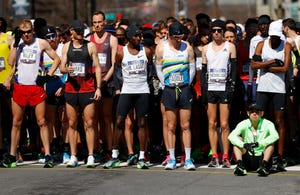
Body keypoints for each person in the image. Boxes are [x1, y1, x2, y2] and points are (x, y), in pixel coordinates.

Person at [1, 19, 60, 168]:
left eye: (28, 32)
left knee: (41, 121)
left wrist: (48, 75)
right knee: (16, 122)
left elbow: (57, 59)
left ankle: (48, 155)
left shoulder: (41, 43)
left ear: (33, 31)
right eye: (23, 32)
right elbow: (10, 62)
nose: (26, 35)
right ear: (20, 32)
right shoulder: (18, 43)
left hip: (36, 87)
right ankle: (12, 155)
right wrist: (15, 44)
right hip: (20, 87)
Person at [103, 25, 153, 169]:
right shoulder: (121, 53)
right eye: (136, 36)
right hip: (127, 91)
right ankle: (114, 156)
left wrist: (147, 85)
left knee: (142, 123)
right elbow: (117, 71)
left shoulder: (147, 51)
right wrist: (119, 88)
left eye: (140, 36)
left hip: (142, 90)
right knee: (119, 121)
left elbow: (150, 69)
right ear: (129, 38)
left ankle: (142, 157)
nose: (139, 39)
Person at [60, 20, 102, 168]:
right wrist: (67, 70)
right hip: (71, 89)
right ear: (71, 32)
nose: (80, 33)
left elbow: (97, 67)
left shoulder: (90, 46)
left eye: (82, 31)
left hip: (87, 88)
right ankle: (73, 155)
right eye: (77, 31)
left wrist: (98, 87)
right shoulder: (66, 47)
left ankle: (90, 155)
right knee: (72, 123)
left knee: (89, 123)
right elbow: (62, 67)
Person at [251, 19, 292, 172]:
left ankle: (279, 156)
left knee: (279, 121)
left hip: (279, 88)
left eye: (276, 37)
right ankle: (260, 153)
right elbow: (254, 65)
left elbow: (285, 68)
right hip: (263, 87)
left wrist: (268, 67)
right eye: (272, 37)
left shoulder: (286, 45)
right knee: (259, 120)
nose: (274, 40)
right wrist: (272, 62)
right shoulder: (261, 45)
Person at [155, 22, 196, 170]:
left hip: (184, 88)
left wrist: (186, 83)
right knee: (171, 125)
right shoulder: (161, 48)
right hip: (169, 89)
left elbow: (192, 68)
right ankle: (172, 158)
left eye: (181, 37)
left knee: (185, 125)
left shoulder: (187, 47)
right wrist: (166, 84)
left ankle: (188, 159)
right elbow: (158, 69)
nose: (179, 40)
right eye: (175, 37)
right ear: (169, 36)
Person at [201, 19, 237, 168]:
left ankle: (226, 156)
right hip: (211, 88)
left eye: (219, 31)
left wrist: (231, 87)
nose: (216, 33)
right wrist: (204, 89)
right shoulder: (206, 48)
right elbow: (203, 72)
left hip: (224, 88)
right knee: (211, 123)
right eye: (214, 30)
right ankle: (214, 155)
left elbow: (234, 69)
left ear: (223, 32)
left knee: (224, 124)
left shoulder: (230, 47)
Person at [86, 11, 118, 160]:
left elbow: (113, 64)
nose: (97, 25)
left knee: (107, 117)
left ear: (104, 22)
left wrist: (103, 81)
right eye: (94, 23)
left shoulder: (112, 39)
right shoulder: (88, 40)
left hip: (106, 82)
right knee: (93, 118)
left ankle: (110, 149)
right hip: (91, 83)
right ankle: (97, 148)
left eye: (99, 22)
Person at [42, 25, 69, 163]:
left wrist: (64, 86)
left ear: (57, 37)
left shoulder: (63, 49)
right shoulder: (43, 51)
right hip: (49, 89)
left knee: (65, 121)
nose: (52, 39)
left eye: (53, 36)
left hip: (63, 86)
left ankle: (66, 150)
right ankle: (53, 148)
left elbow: (69, 69)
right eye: (48, 37)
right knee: (50, 121)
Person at [228, 103, 279, 176]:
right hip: (248, 157)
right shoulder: (243, 123)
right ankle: (240, 165)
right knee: (238, 140)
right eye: (252, 112)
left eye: (257, 111)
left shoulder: (268, 123)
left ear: (262, 113)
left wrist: (259, 144)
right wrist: (244, 145)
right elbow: (231, 136)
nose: (254, 113)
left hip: (262, 157)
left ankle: (263, 166)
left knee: (271, 144)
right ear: (248, 113)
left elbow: (275, 136)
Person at [0, 17, 13, 154]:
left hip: (7, 82)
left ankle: (14, 147)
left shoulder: (8, 38)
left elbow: (15, 60)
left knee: (12, 116)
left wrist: (10, 77)